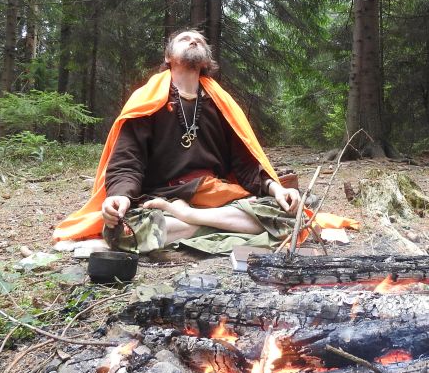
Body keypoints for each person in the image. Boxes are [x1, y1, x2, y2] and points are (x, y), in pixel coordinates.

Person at [53, 29, 301, 250]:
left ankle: (192, 220)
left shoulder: (220, 104)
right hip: (163, 197)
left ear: (206, 60)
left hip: (214, 196)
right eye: (185, 39)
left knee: (293, 214)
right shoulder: (146, 100)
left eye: (199, 41)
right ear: (168, 57)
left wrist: (277, 188)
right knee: (121, 231)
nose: (193, 41)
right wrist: (120, 196)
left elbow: (245, 162)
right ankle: (221, 225)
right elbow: (128, 160)